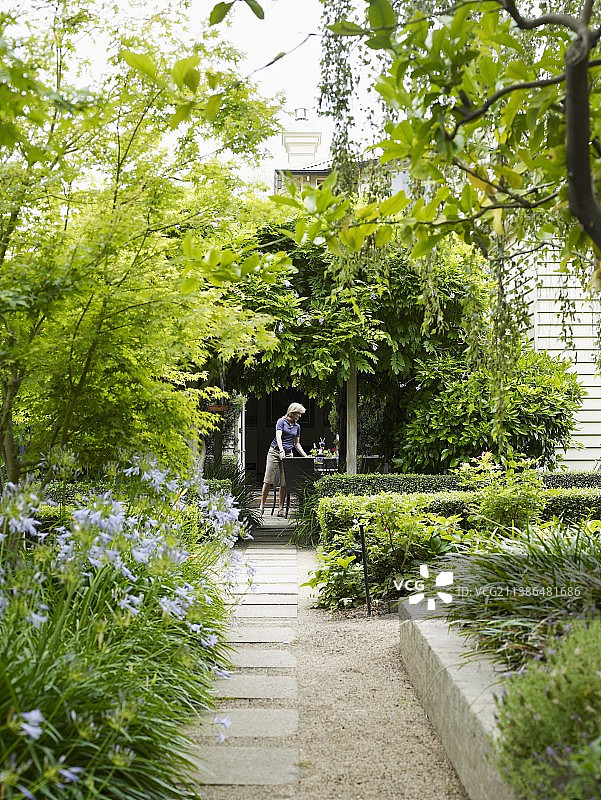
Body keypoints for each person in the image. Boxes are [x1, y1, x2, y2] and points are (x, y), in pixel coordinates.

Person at [259, 402, 308, 516]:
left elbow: (297, 444)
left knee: (285, 482)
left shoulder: (297, 426)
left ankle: (280, 509)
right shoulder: (281, 421)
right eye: (299, 414)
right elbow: (278, 437)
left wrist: (305, 456)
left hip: (288, 453)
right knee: (268, 480)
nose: (300, 416)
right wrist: (281, 451)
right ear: (293, 412)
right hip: (275, 451)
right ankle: (261, 506)